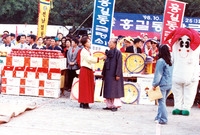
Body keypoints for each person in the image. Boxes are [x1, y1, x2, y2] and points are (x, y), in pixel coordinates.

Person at [78, 37, 104, 109]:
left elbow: (90, 60)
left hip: (89, 69)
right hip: (85, 69)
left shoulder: (89, 51)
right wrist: (99, 58)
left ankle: (84, 101)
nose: (90, 43)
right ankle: (84, 102)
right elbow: (89, 59)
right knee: (84, 86)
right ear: (85, 44)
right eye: (88, 42)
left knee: (89, 86)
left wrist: (93, 68)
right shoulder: (83, 51)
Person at [152, 44, 173, 124]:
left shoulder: (161, 61)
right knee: (162, 101)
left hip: (162, 84)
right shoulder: (170, 60)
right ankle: (158, 117)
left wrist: (154, 84)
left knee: (161, 102)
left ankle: (163, 119)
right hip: (169, 83)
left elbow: (158, 74)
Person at [102, 38, 124, 112]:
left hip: (114, 74)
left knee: (114, 90)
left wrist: (118, 74)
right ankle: (109, 105)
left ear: (115, 44)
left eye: (111, 42)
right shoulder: (108, 53)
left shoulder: (118, 53)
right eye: (109, 42)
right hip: (108, 73)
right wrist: (103, 72)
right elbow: (105, 63)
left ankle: (115, 105)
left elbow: (119, 64)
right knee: (108, 89)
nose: (109, 43)